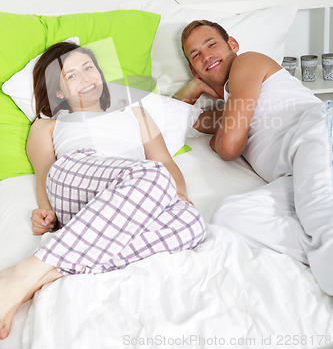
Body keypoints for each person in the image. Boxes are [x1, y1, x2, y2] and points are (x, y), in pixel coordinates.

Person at [0, 41, 206, 340]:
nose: (85, 77)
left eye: (88, 68)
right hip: (76, 177)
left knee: (192, 222)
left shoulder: (136, 114)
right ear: (59, 91)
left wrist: (181, 195)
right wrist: (46, 211)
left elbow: (164, 160)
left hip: (132, 197)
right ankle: (27, 271)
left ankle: (43, 275)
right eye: (71, 75)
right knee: (154, 176)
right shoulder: (48, 124)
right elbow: (45, 174)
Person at [175, 19, 333, 296]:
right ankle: (322, 250)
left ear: (232, 45)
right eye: (195, 55)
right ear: (193, 69)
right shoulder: (233, 109)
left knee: (323, 222)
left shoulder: (247, 62)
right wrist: (191, 90)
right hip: (297, 172)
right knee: (230, 217)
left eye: (211, 44)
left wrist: (221, 137)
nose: (206, 55)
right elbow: (172, 120)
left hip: (318, 131)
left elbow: (229, 146)